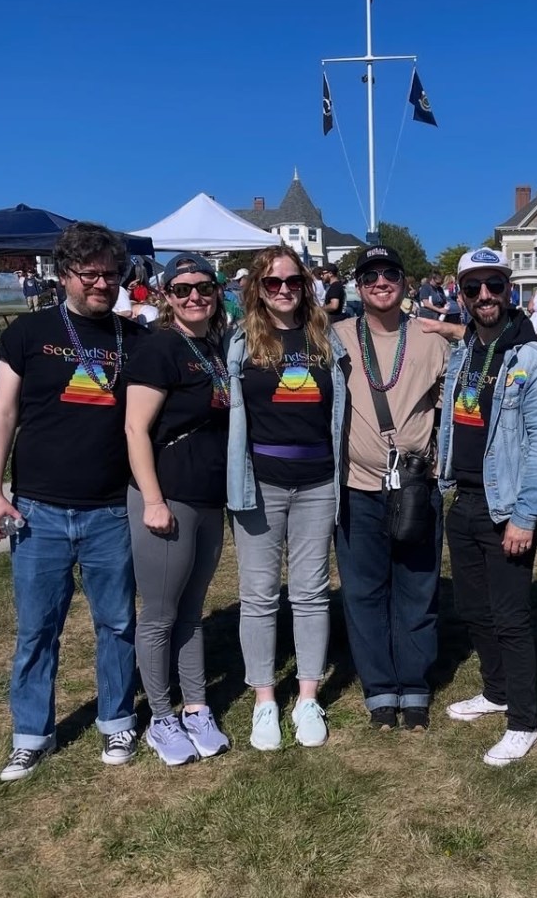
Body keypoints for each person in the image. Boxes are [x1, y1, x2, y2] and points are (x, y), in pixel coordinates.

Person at [0, 223, 147, 781]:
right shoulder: (28, 332)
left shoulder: (134, 338)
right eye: (91, 273)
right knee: (37, 628)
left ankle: (118, 719)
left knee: (117, 623)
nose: (103, 283)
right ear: (64, 274)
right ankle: (31, 734)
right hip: (39, 510)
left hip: (109, 509)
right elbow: (3, 413)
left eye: (112, 274)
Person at [437, 248, 537, 766]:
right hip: (462, 499)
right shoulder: (465, 351)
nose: (484, 297)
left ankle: (523, 720)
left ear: (510, 290)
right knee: (472, 608)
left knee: (511, 616)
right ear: (461, 294)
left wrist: (525, 515)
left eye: (495, 286)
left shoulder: (534, 359)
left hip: (504, 505)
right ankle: (496, 691)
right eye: (473, 289)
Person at [226, 245, 345, 750]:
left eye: (292, 281)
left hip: (317, 480)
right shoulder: (240, 343)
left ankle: (308, 696)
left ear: (305, 285)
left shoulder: (326, 339)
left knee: (311, 591)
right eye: (272, 283)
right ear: (257, 288)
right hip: (261, 483)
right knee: (257, 595)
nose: (283, 291)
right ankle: (264, 701)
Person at [333, 245, 448, 730]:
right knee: (363, 592)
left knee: (417, 587)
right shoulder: (334, 337)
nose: (380, 282)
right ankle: (380, 689)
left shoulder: (430, 338)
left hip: (416, 485)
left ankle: (416, 686)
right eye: (370, 276)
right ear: (358, 286)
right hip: (358, 487)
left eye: (390, 274)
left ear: (405, 282)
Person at [124, 254, 231, 766]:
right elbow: (135, 428)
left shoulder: (213, 347)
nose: (195, 296)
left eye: (204, 288)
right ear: (165, 295)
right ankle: (161, 717)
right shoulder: (159, 348)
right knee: (161, 615)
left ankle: (195, 707)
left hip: (210, 497)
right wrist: (151, 500)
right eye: (183, 288)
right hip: (168, 497)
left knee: (191, 611)